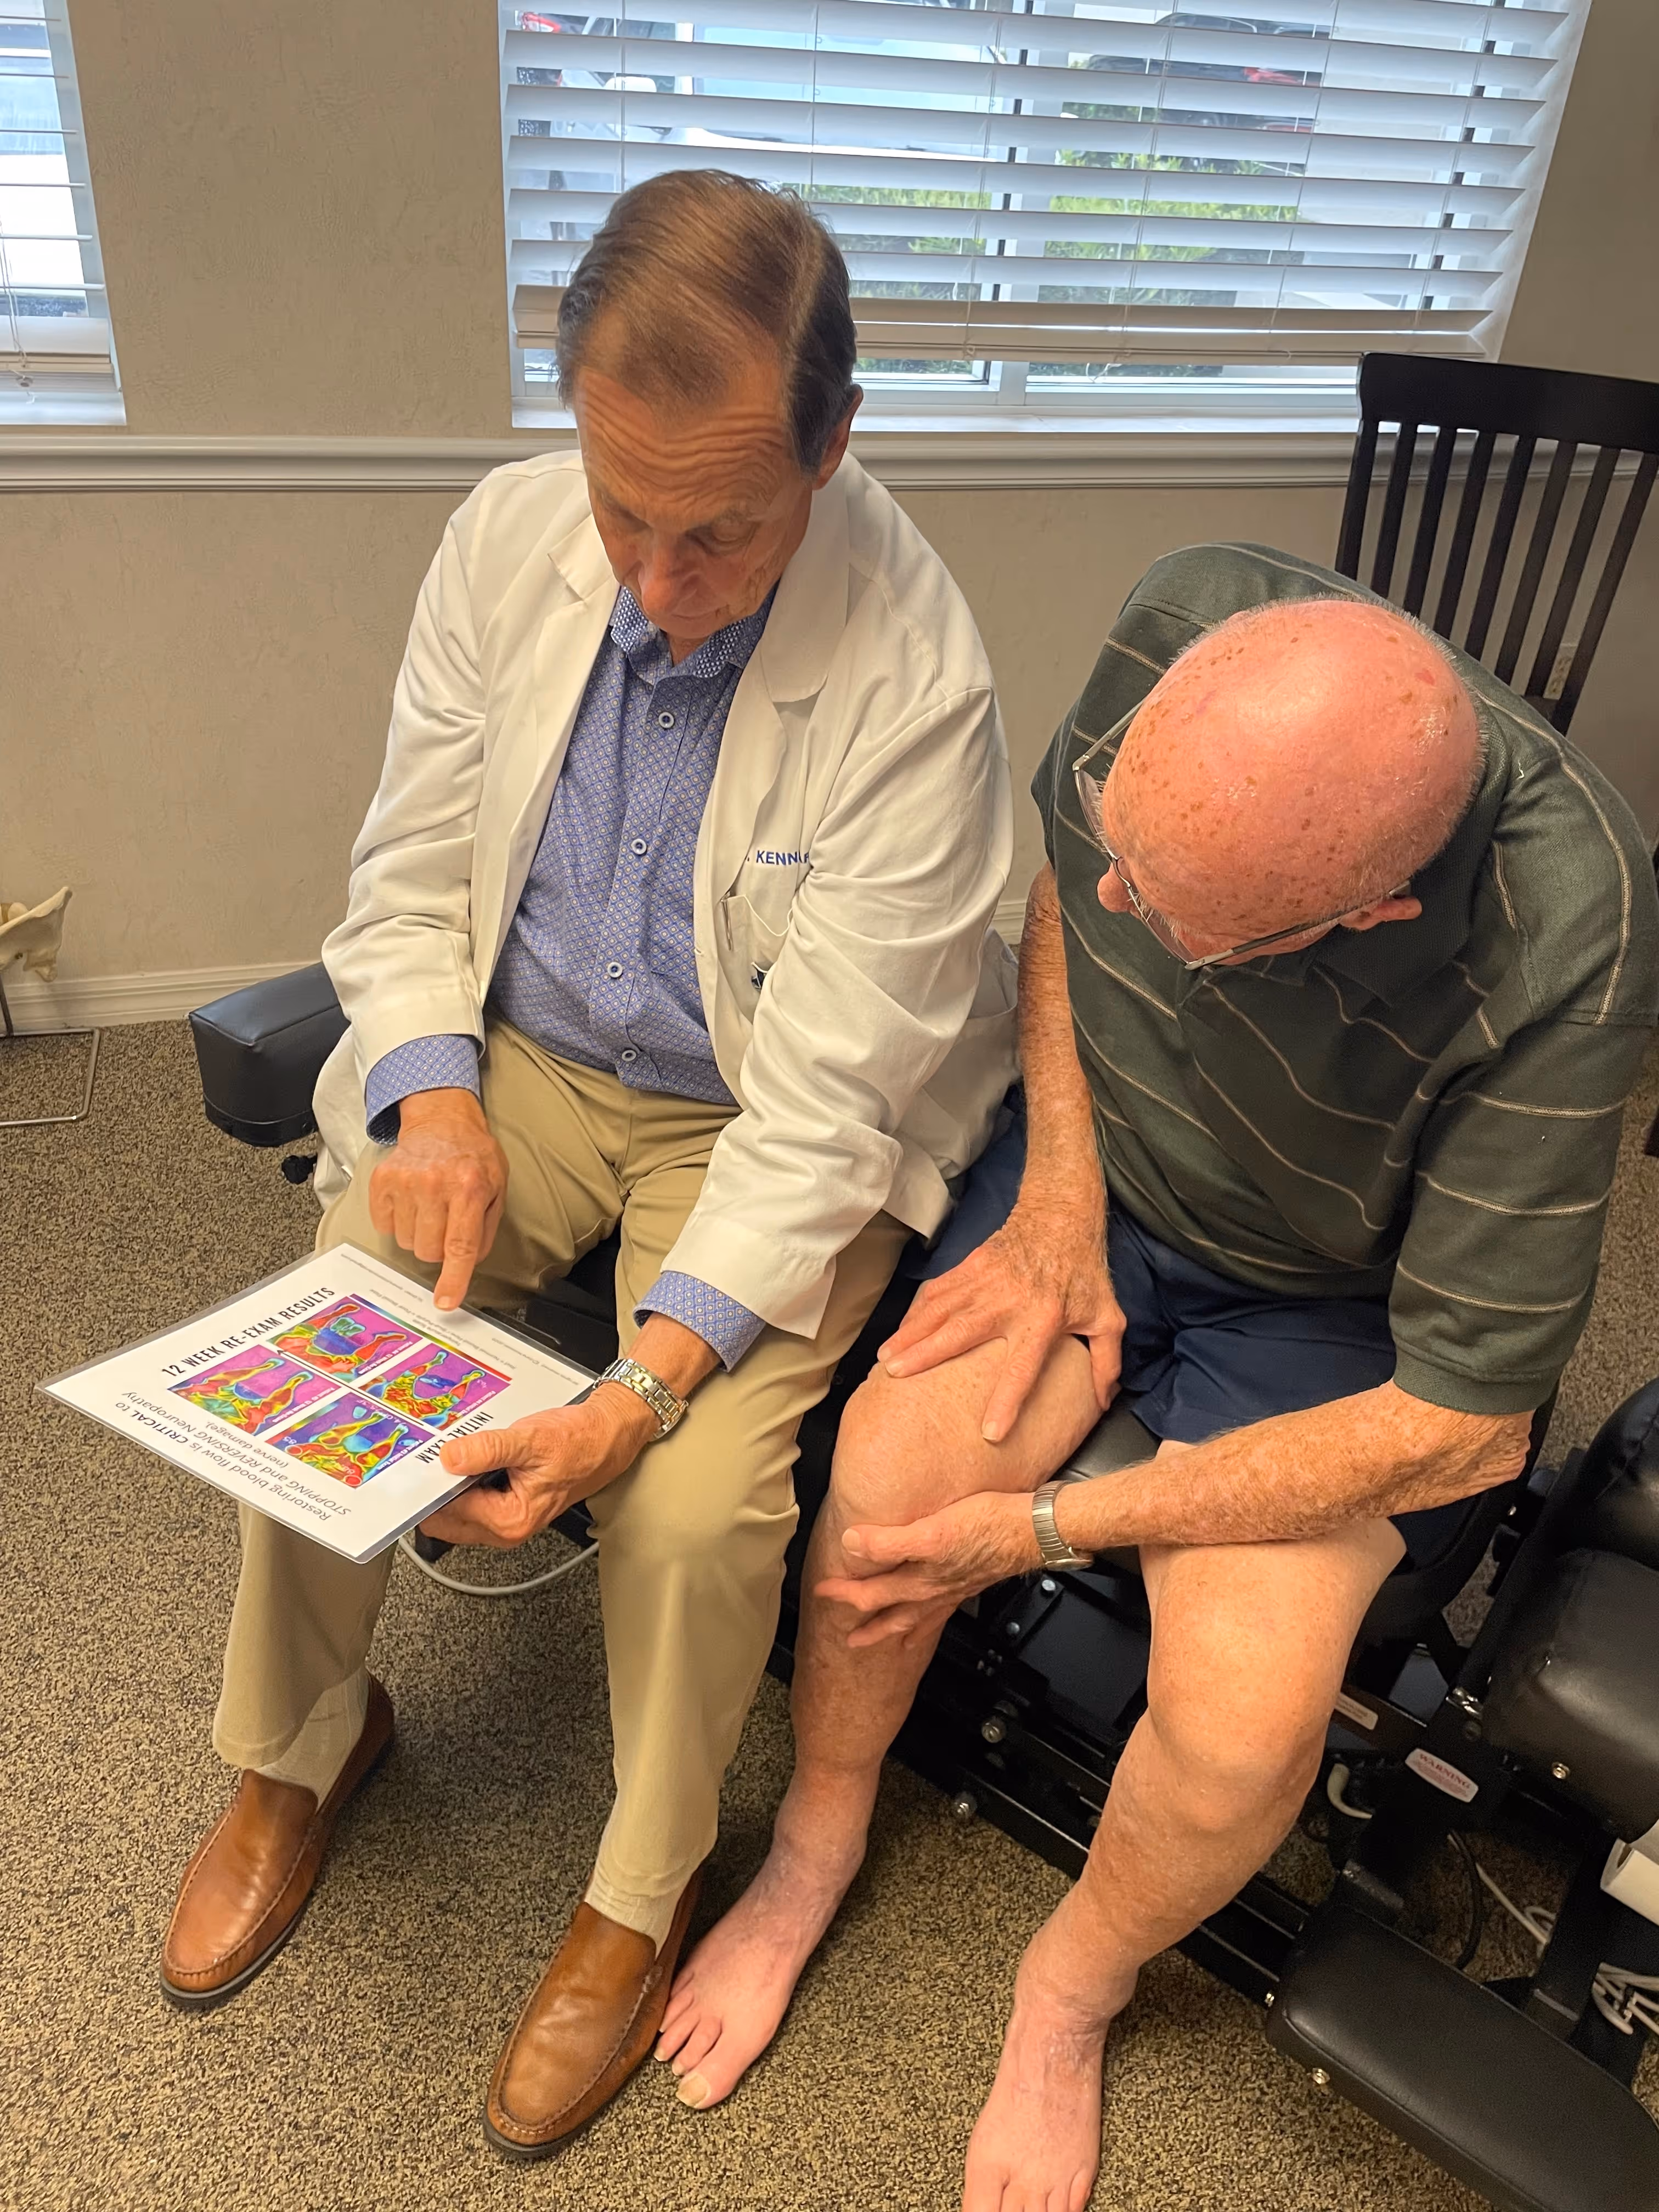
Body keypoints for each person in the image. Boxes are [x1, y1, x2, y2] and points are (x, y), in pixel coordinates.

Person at [159, 171, 1018, 2157]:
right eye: (621, 509)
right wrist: (434, 1094)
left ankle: (638, 1903)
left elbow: (827, 1117)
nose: (649, 577)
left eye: (714, 530)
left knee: (698, 1500)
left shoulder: (923, 680)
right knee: (348, 1313)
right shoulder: (512, 533)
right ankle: (299, 1748)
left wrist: (642, 1388)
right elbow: (402, 877)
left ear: (832, 444)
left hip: (760, 1122)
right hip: (530, 1058)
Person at [658, 544, 1659, 2212]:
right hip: (1096, 1181)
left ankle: (1072, 1993)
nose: (1129, 910)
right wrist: (1058, 1187)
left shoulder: (1577, 935)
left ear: (1372, 916)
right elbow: (1071, 890)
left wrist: (1050, 1523)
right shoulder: (1186, 624)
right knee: (891, 1492)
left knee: (1238, 1720)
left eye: (1191, 924)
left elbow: (1458, 1415)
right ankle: (817, 1850)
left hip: (1341, 1316)